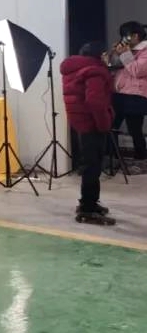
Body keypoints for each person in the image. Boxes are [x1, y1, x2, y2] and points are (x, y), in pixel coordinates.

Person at [60, 42, 116, 225]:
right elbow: (95, 102)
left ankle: (88, 202)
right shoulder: (95, 71)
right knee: (92, 167)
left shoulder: (73, 69)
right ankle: (88, 209)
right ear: (99, 55)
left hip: (80, 122)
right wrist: (104, 124)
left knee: (89, 165)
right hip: (92, 124)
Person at [109, 21, 147, 163]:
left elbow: (137, 70)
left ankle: (141, 158)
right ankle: (112, 157)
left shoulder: (145, 51)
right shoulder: (128, 49)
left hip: (135, 95)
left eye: (125, 36)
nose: (123, 39)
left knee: (134, 129)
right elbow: (113, 66)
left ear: (135, 36)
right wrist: (115, 53)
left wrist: (125, 54)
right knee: (111, 126)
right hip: (119, 92)